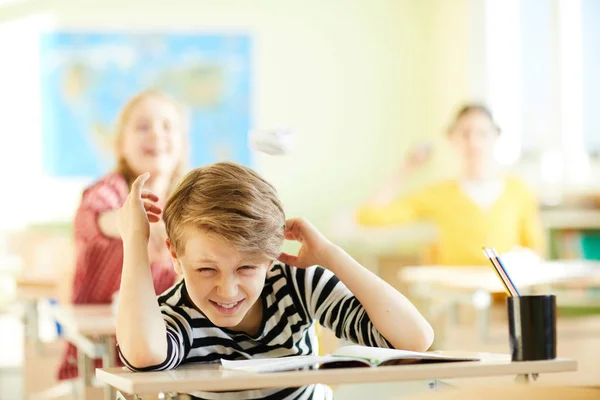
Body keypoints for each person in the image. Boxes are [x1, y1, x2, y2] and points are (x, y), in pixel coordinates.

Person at [115, 162, 434, 399]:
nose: (227, 291)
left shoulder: (297, 284)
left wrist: (330, 254)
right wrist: (134, 240)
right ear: (176, 256)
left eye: (247, 268)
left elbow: (413, 339)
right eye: (206, 270)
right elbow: (144, 355)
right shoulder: (175, 313)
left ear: (270, 258)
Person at [57, 89, 187, 380]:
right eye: (142, 127)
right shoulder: (110, 191)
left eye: (168, 126)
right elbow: (90, 219)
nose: (156, 134)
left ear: (182, 144)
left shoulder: (187, 203)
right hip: (98, 359)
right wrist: (129, 223)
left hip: (165, 356)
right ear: (120, 145)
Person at [356, 103, 544, 266]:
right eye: (465, 134)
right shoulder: (438, 194)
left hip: (505, 300)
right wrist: (407, 168)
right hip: (459, 298)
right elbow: (369, 216)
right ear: (452, 139)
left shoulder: (519, 190)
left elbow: (536, 252)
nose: (474, 143)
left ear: (495, 136)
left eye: (482, 133)